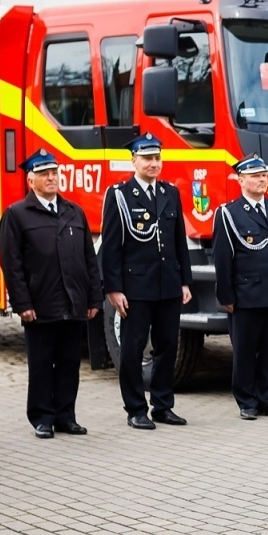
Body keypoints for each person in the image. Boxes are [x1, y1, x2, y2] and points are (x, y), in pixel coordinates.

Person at [0, 150, 102, 438]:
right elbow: (12, 263)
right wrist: (22, 303)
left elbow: (88, 259)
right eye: (44, 174)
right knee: (42, 364)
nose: (51, 178)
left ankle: (65, 416)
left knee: (69, 363)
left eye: (54, 173)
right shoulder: (17, 214)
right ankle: (42, 417)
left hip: (73, 304)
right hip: (40, 304)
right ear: (31, 180)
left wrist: (94, 299)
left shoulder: (73, 211)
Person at [100, 134, 192, 430]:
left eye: (157, 158)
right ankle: (136, 408)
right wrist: (113, 288)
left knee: (167, 345)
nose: (154, 164)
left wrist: (185, 282)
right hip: (136, 287)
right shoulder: (120, 195)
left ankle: (163, 405)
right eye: (147, 159)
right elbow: (111, 246)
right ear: (134, 161)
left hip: (168, 285)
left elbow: (179, 241)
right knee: (132, 348)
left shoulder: (170, 193)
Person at [213, 156, 268, 421]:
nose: (261, 180)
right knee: (245, 350)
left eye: (263, 175)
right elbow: (223, 258)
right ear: (241, 180)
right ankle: (246, 401)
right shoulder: (229, 213)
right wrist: (226, 295)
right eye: (254, 176)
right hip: (246, 294)